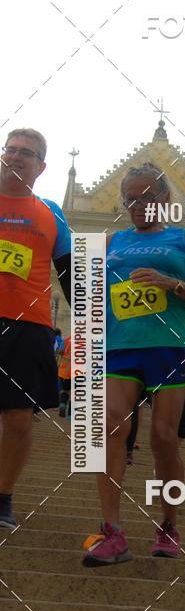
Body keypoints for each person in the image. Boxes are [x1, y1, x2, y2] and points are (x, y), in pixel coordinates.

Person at [83, 162, 185, 566]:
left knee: (163, 438)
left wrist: (170, 283)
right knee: (109, 427)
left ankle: (168, 525)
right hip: (121, 349)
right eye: (130, 199)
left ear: (165, 200)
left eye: (147, 197)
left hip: (169, 349)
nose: (138, 205)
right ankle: (113, 533)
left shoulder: (184, 238)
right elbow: (88, 299)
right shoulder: (109, 242)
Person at [0, 128, 71, 529]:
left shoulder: (50, 213)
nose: (16, 156)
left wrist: (97, 321)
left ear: (41, 166)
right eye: (10, 149)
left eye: (27, 153)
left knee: (19, 418)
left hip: (29, 325)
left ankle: (3, 496)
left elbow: (73, 277)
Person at [57, 334, 72, 419]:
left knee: (65, 389)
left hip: (65, 369)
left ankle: (62, 404)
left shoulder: (67, 338)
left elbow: (60, 351)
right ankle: (70, 415)